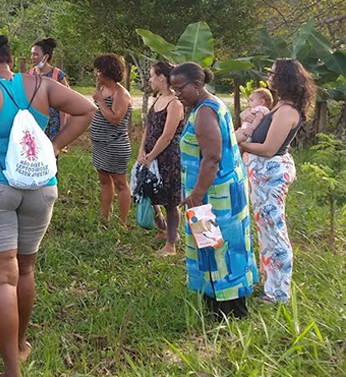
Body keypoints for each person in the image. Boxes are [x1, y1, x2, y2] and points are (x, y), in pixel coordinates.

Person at [0, 34, 96, 377]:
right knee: (25, 270)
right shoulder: (41, 85)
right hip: (39, 187)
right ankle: (21, 344)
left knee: (0, 280)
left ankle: (11, 370)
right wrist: (54, 146)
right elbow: (87, 109)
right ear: (12, 58)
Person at [171, 62, 257, 318]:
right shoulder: (206, 106)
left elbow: (212, 158)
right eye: (173, 88)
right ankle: (216, 304)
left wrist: (196, 195)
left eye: (180, 88)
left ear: (197, 85)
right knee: (215, 245)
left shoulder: (206, 112)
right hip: (218, 190)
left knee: (221, 248)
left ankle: (229, 311)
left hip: (215, 195)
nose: (177, 93)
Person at [238, 59, 314, 304]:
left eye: (272, 73)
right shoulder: (280, 105)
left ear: (285, 78)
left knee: (275, 232)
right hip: (263, 175)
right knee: (266, 231)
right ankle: (270, 282)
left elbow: (269, 148)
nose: (268, 76)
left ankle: (278, 293)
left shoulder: (288, 111)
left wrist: (236, 143)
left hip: (271, 172)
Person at [136, 61, 184, 255]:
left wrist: (151, 155)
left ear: (162, 77)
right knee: (149, 192)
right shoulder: (157, 100)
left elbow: (167, 135)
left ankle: (171, 243)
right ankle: (163, 229)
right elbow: (149, 128)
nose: (150, 80)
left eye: (152, 75)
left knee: (171, 201)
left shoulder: (175, 103)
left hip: (168, 157)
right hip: (150, 155)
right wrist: (141, 151)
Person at [89, 53, 133, 226]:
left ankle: (122, 223)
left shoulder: (120, 93)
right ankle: (104, 218)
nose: (96, 74)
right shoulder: (102, 90)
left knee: (120, 183)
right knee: (104, 181)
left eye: (99, 71)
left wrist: (100, 102)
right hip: (101, 145)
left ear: (108, 72)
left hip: (115, 145)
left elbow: (115, 119)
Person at [29, 37, 70, 142]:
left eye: (36, 54)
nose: (32, 57)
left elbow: (64, 103)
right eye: (32, 54)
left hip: (52, 125)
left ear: (46, 56)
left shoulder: (57, 75)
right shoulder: (30, 74)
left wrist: (63, 127)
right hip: (34, 124)